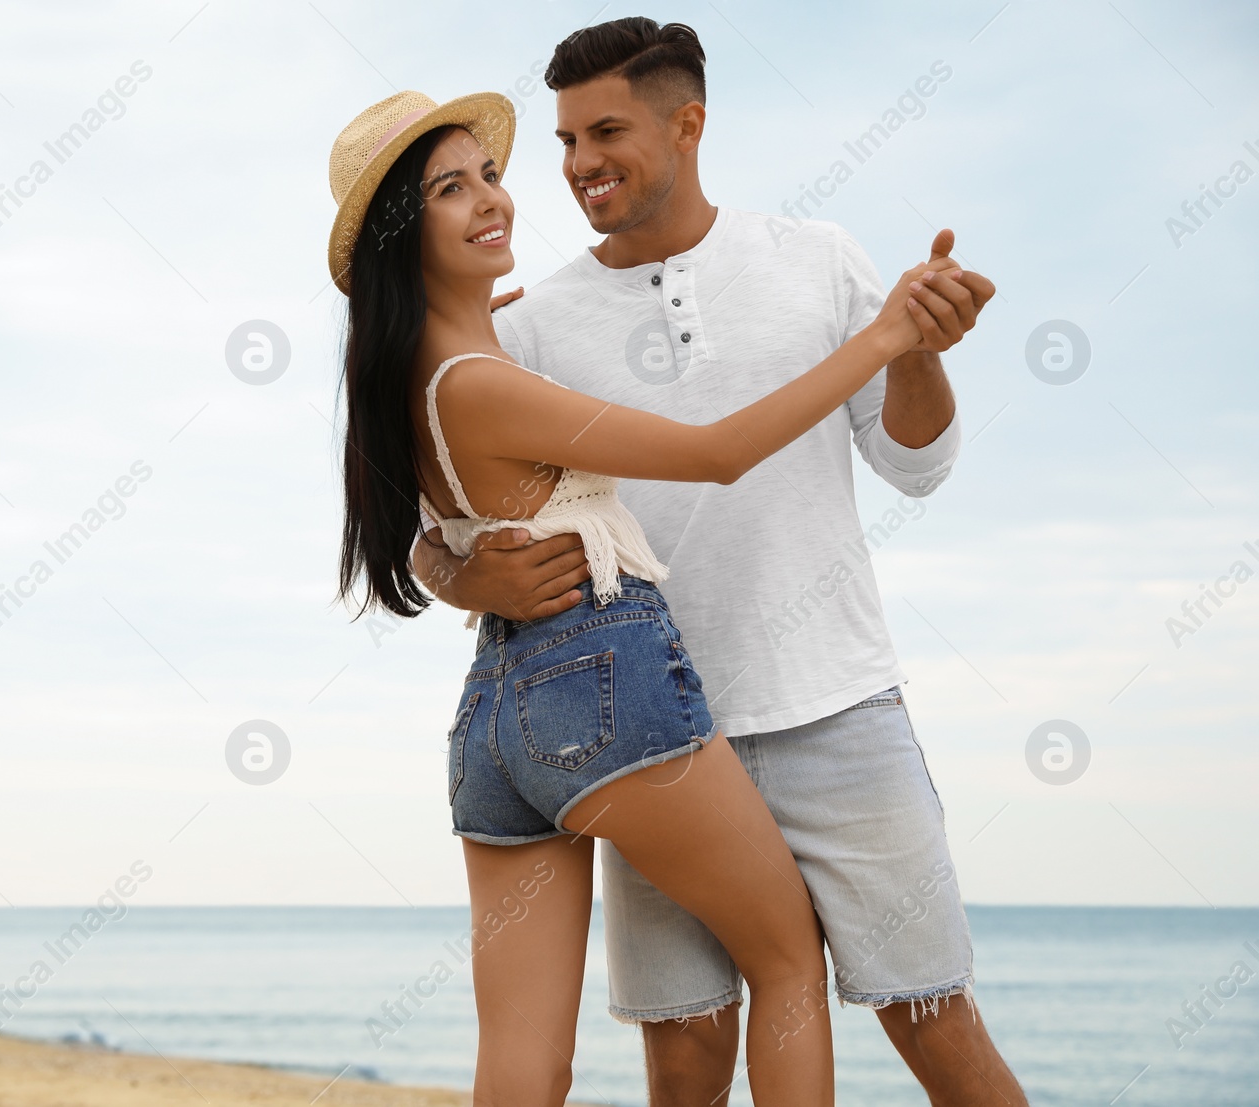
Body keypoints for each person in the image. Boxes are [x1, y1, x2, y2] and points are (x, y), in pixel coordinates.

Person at [408, 17, 1026, 1107]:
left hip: (834, 707)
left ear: (687, 124)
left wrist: (913, 348)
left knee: (933, 1024)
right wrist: (461, 579)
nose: (578, 164)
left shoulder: (816, 258)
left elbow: (912, 463)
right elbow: (440, 513)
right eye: (562, 141)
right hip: (653, 731)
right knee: (686, 1058)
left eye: (604, 131)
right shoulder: (532, 325)